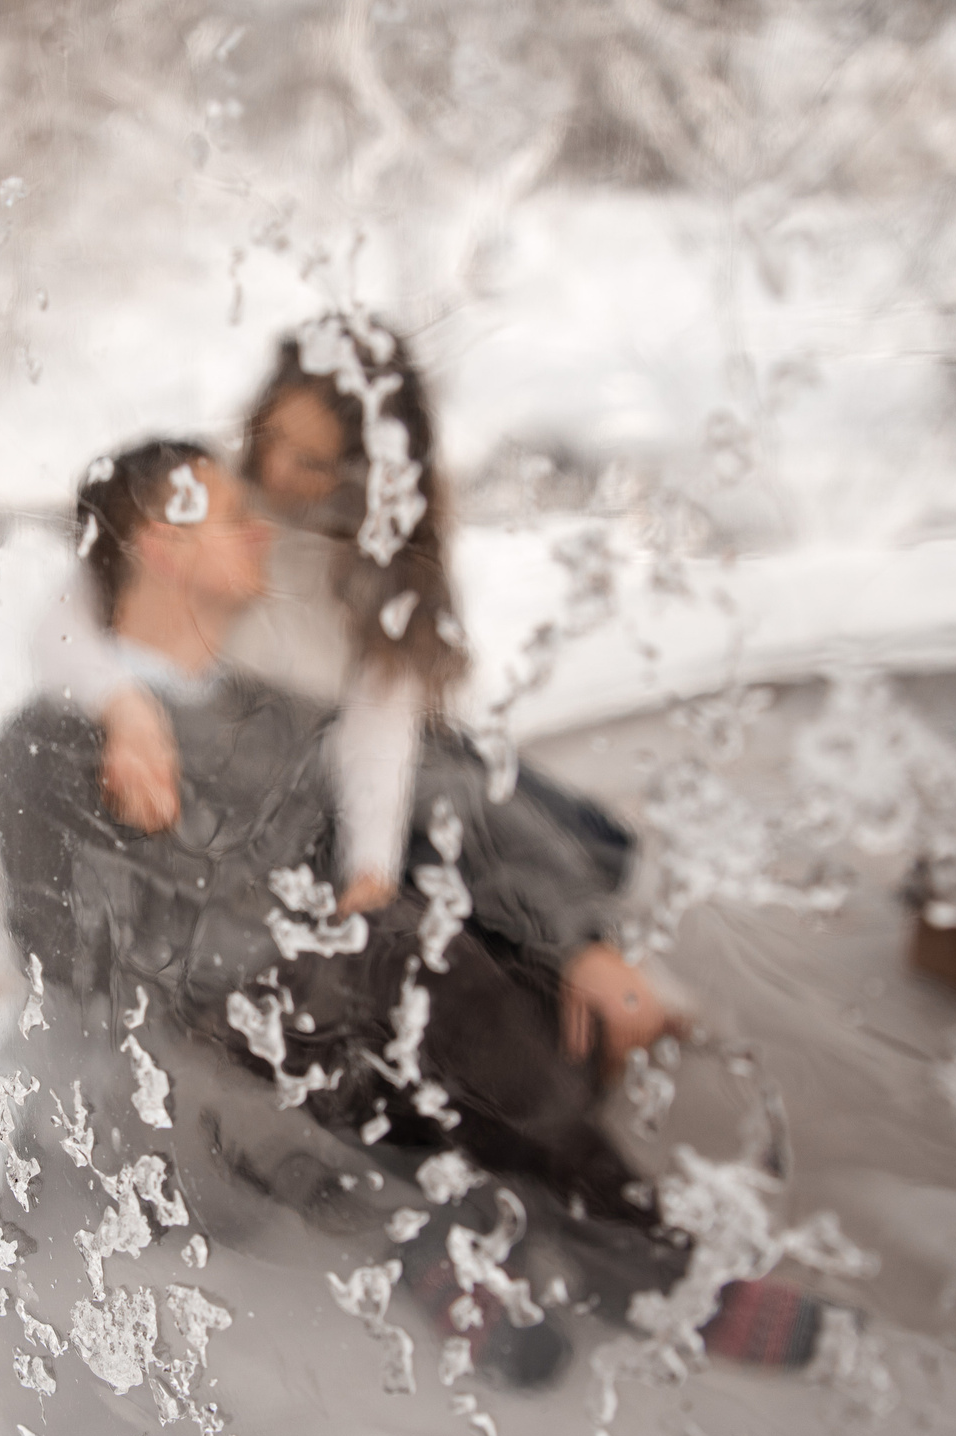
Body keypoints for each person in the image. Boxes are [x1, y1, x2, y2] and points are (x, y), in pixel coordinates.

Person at [0, 441, 826, 1376]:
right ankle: (631, 1267)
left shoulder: (268, 709)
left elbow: (441, 790)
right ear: (162, 546)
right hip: (202, 1087)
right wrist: (314, 955)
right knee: (400, 961)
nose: (262, 531)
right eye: (232, 517)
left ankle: (468, 1228)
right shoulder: (43, 751)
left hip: (335, 1028)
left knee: (476, 950)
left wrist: (577, 944)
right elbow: (80, 978)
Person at [35, 313, 635, 959]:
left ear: (365, 469)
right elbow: (66, 615)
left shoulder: (385, 552)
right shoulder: (216, 488)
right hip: (274, 748)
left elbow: (383, 724)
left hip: (380, 747)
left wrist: (371, 872)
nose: (279, 471)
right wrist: (126, 707)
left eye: (312, 461)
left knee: (562, 848)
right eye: (275, 438)